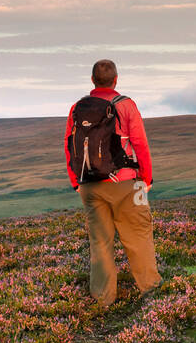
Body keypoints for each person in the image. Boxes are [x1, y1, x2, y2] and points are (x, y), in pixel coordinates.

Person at [64, 59, 160, 308]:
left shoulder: (77, 108)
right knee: (138, 235)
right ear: (116, 80)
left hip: (89, 185)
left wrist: (77, 182)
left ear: (93, 80)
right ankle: (150, 289)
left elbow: (68, 145)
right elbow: (140, 144)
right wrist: (146, 179)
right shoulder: (126, 105)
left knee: (100, 241)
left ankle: (103, 299)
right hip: (129, 184)